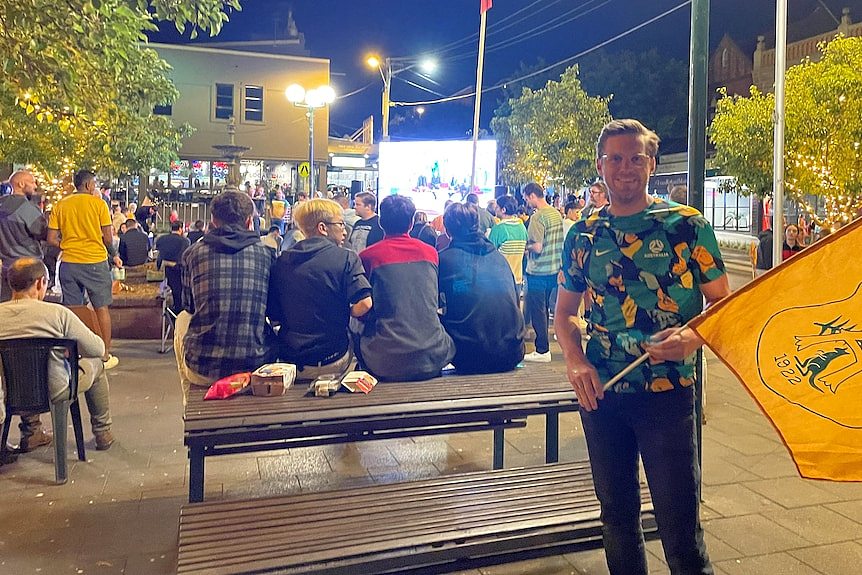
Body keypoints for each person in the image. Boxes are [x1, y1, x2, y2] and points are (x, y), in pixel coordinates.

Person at [555, 119, 730, 575]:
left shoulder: (686, 227)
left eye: (636, 158)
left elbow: (725, 307)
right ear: (601, 166)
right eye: (615, 158)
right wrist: (575, 362)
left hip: (668, 393)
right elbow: (564, 315)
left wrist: (690, 338)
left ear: (651, 164)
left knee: (680, 526)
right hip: (602, 394)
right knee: (616, 518)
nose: (625, 168)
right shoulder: (583, 236)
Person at [0, 258, 114, 452]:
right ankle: (102, 432)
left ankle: (32, 431)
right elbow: (97, 349)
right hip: (55, 390)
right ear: (39, 283)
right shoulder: (58, 314)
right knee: (96, 362)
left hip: (9, 393)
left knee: (22, 368)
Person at [175, 191, 276, 405]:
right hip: (256, 363)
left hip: (203, 366)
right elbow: (273, 310)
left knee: (181, 320)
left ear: (213, 220)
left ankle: (190, 403)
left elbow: (188, 305)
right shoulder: (267, 254)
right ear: (250, 221)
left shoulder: (193, 253)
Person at [269, 199, 372, 380]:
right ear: (323, 228)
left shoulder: (282, 260)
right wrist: (343, 312)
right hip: (333, 358)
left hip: (291, 359)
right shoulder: (346, 258)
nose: (345, 230)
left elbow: (274, 314)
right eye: (340, 224)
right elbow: (364, 303)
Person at [354, 195, 454, 381]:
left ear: (382, 222)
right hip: (432, 354)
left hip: (383, 359)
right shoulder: (430, 253)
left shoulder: (368, 257)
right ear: (411, 223)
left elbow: (364, 308)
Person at [47, 169, 122, 370]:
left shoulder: (60, 205)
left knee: (73, 310)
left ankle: (73, 353)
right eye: (95, 184)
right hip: (95, 262)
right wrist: (114, 255)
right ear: (89, 185)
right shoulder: (99, 204)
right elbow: (107, 238)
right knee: (101, 308)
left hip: (69, 263)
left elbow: (51, 239)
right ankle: (105, 354)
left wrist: (68, 245)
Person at [438, 203, 524, 373]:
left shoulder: (444, 260)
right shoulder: (498, 258)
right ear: (478, 225)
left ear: (447, 230)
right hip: (512, 352)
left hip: (469, 356)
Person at [0, 169, 51, 454]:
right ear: (20, 183)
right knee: (30, 346)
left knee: (9, 344)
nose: (35, 185)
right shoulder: (26, 208)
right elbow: (44, 232)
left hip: (6, 276)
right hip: (29, 274)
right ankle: (32, 428)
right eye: (32, 181)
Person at [522, 182, 564, 362]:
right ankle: (544, 347)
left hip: (538, 271)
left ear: (532, 196)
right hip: (554, 269)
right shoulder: (556, 214)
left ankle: (542, 350)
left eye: (526, 198)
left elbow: (537, 247)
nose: (526, 202)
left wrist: (526, 247)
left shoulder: (537, 218)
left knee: (538, 312)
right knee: (546, 309)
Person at [489, 195, 528, 295]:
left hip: (501, 280)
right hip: (517, 278)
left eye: (497, 207)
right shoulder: (521, 226)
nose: (495, 209)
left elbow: (489, 252)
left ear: (503, 209)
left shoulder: (499, 228)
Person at [155, 221, 190, 314]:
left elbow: (157, 253)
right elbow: (184, 257)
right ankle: (177, 313)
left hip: (162, 271)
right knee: (177, 294)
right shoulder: (185, 241)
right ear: (180, 229)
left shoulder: (161, 239)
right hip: (177, 271)